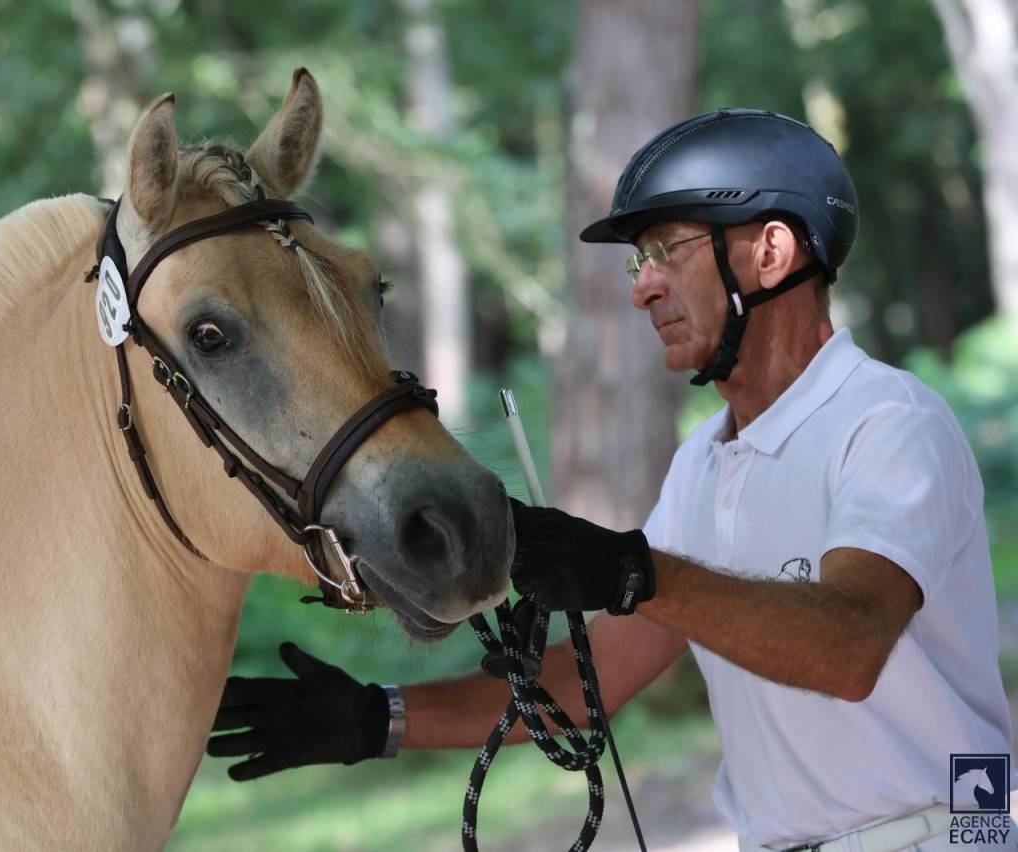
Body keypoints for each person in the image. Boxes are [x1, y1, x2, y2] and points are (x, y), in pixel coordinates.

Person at [207, 109, 1013, 852]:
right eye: (639, 260)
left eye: (669, 250)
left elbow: (850, 645)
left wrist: (637, 572)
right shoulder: (705, 463)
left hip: (943, 834)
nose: (642, 286)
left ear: (770, 252)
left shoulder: (888, 422)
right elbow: (586, 687)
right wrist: (373, 719)